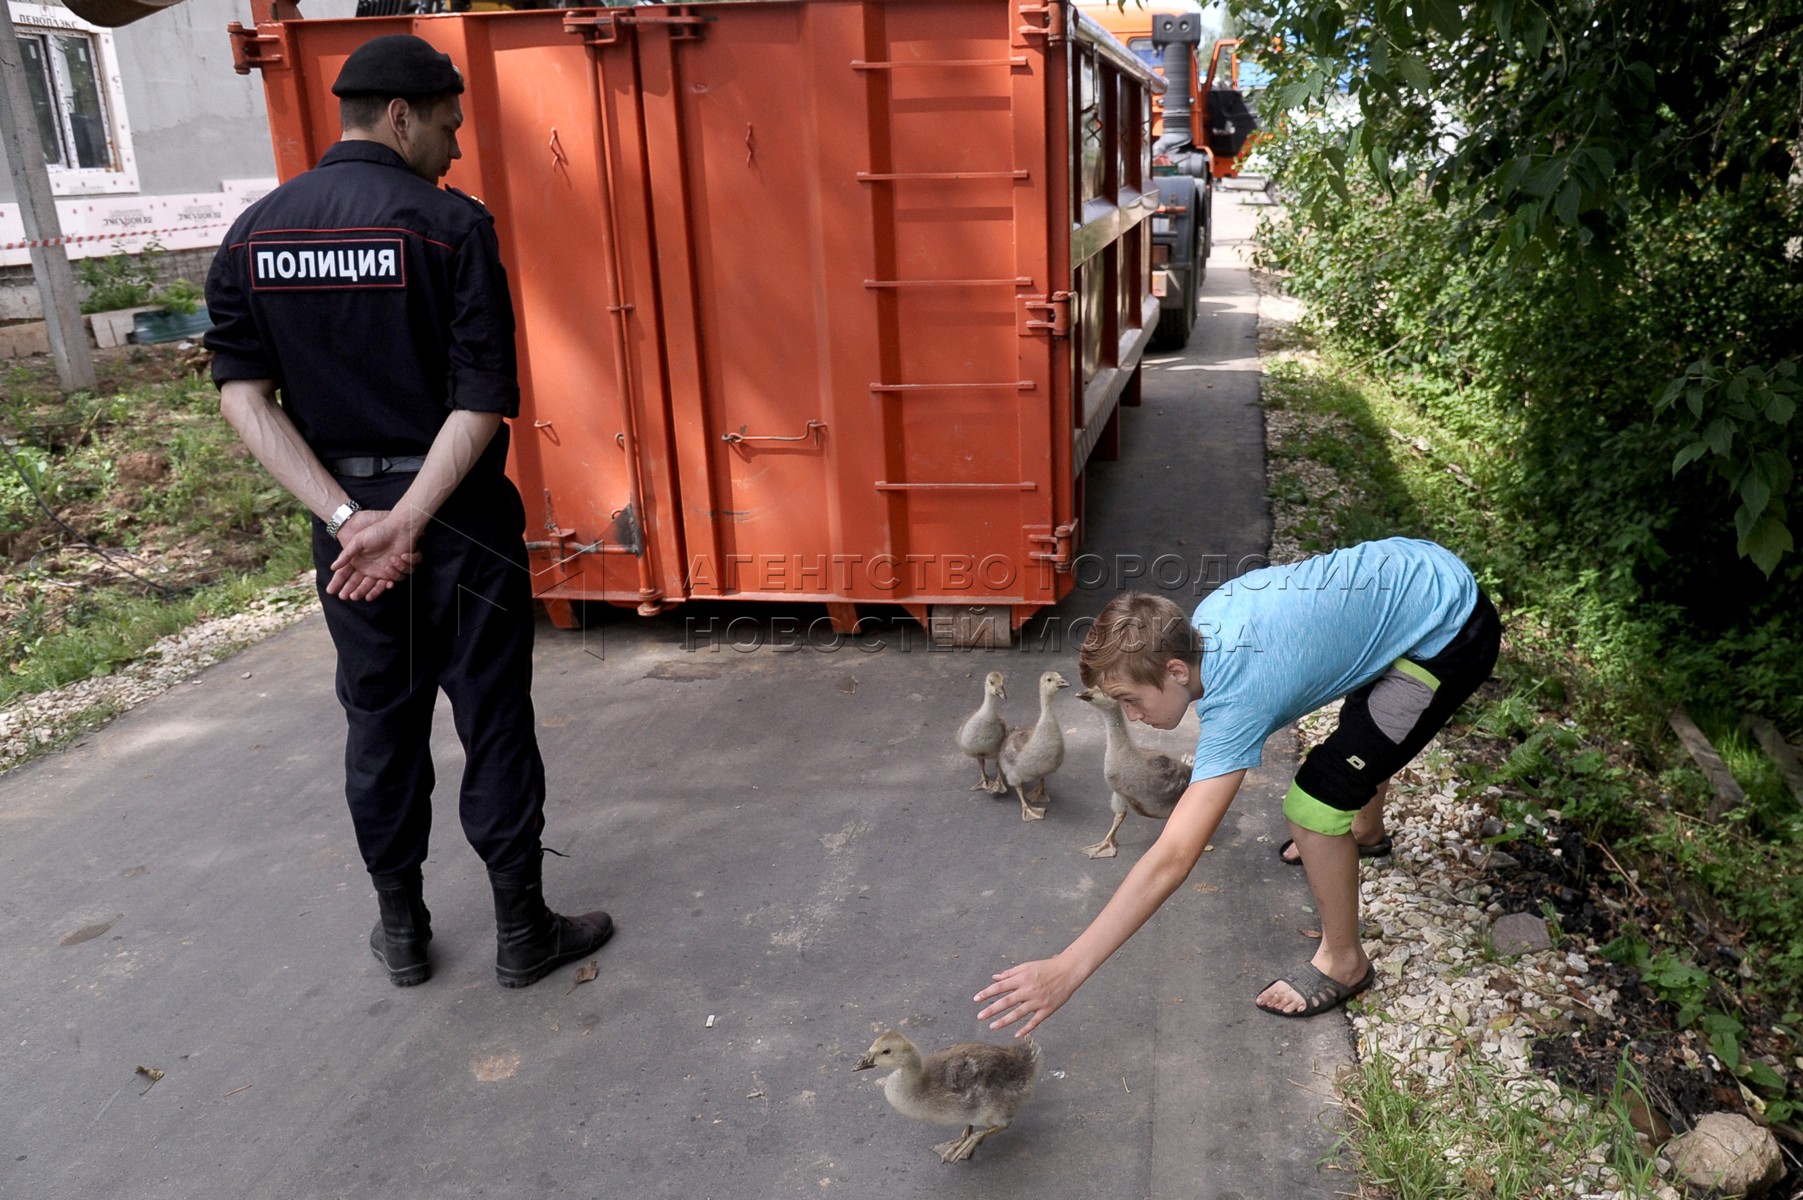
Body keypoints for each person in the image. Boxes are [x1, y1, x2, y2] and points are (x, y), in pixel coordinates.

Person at [203, 33, 612, 990]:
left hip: (347, 530)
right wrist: (409, 519)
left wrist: (351, 520)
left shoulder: (255, 232)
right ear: (400, 116)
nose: (455, 146)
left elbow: (243, 397)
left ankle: (403, 935)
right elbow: (480, 403)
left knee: (378, 721)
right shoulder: (450, 227)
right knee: (493, 716)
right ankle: (521, 933)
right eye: (447, 124)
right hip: (458, 518)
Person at [975, 537, 1500, 1031]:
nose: (1131, 718)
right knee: (1365, 724)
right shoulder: (1209, 618)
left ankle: (1345, 962)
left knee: (1315, 807)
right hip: (1413, 570)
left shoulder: (1239, 698)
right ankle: (1364, 832)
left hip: (1449, 630)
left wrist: (1070, 966)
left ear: (1177, 670)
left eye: (1132, 699)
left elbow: (1175, 854)